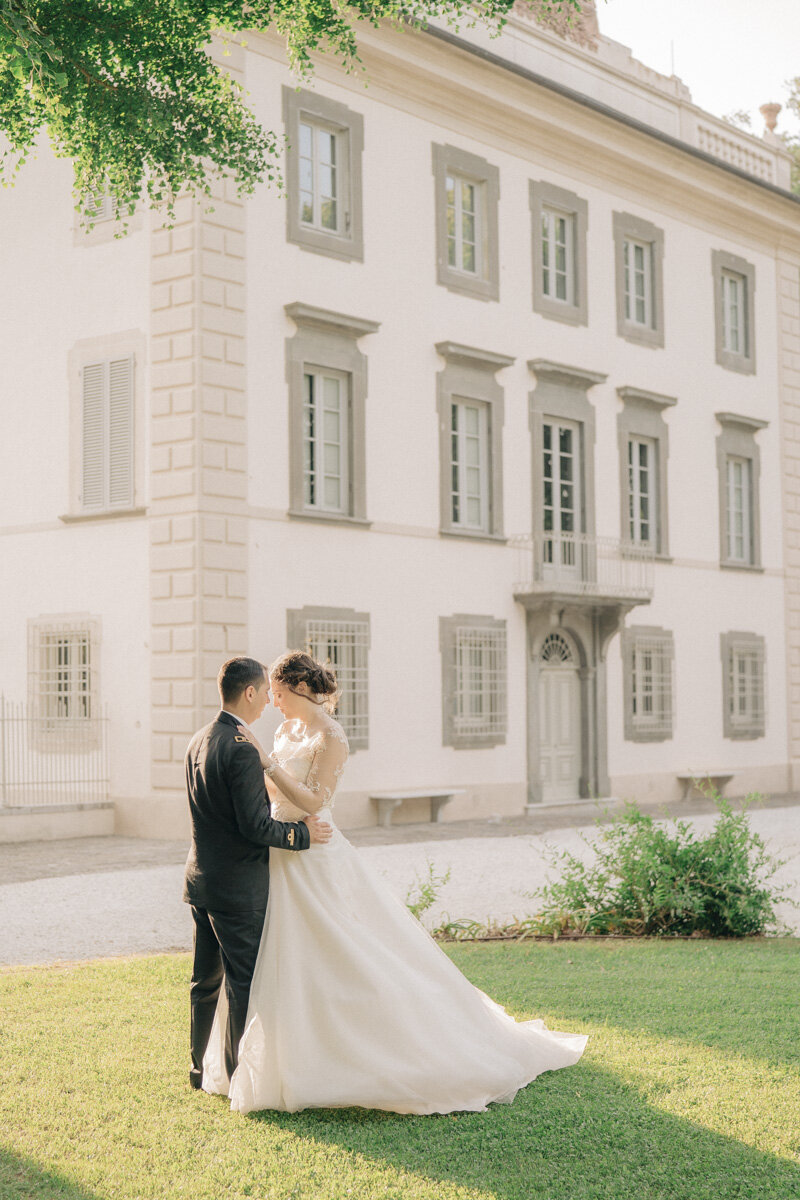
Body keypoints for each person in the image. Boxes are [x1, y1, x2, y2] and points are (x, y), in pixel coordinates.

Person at [201, 650, 588, 1113]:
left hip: (315, 853)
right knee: (280, 960)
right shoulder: (286, 731)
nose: (273, 704)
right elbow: (271, 794)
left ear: (296, 690)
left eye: (278, 695)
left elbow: (314, 798)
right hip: (280, 853)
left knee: (347, 952)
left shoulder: (331, 736)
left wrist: (268, 765)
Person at [183, 656, 332, 1091]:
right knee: (243, 984)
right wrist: (302, 834)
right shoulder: (242, 748)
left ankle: (199, 1069)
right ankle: (235, 1078)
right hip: (237, 890)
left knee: (203, 981)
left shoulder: (199, 739)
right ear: (249, 692)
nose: (269, 701)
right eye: (266, 693)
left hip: (201, 881)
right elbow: (255, 826)